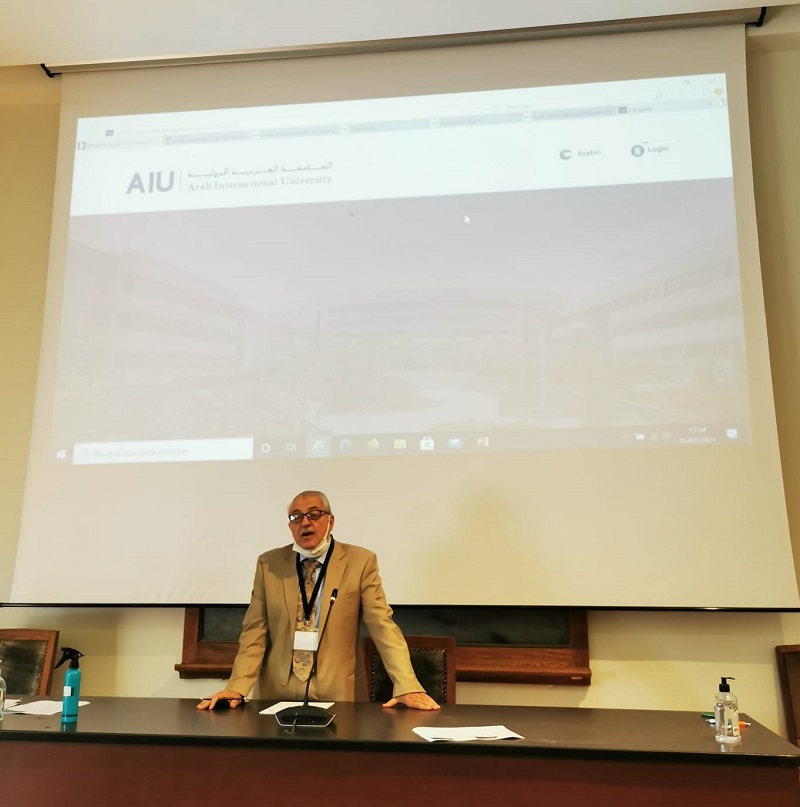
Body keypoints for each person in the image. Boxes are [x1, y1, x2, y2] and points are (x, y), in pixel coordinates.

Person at [198, 490, 439, 711]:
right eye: (296, 517)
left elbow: (382, 626)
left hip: (339, 691)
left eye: (314, 515)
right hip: (276, 692)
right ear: (290, 526)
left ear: (330, 521)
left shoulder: (360, 561)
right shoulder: (269, 564)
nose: (305, 522)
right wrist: (237, 687)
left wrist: (407, 684)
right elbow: (254, 632)